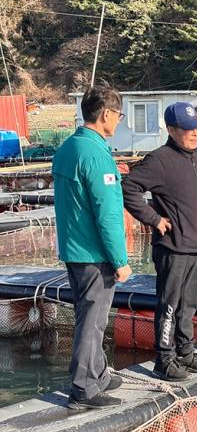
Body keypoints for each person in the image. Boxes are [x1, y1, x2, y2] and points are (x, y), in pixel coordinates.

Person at [122, 102, 197, 381]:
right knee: (170, 304)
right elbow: (128, 188)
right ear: (172, 130)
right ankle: (164, 358)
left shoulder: (195, 157)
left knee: (189, 303)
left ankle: (186, 351)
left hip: (195, 245)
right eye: (188, 129)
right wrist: (154, 219)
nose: (194, 133)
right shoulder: (160, 160)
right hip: (173, 246)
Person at [52, 83, 132, 410]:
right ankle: (84, 387)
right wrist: (120, 260)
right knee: (94, 319)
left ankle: (98, 372)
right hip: (94, 253)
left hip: (73, 249)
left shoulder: (68, 148)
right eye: (119, 115)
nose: (119, 121)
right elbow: (107, 213)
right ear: (106, 114)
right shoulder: (97, 155)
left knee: (88, 314)